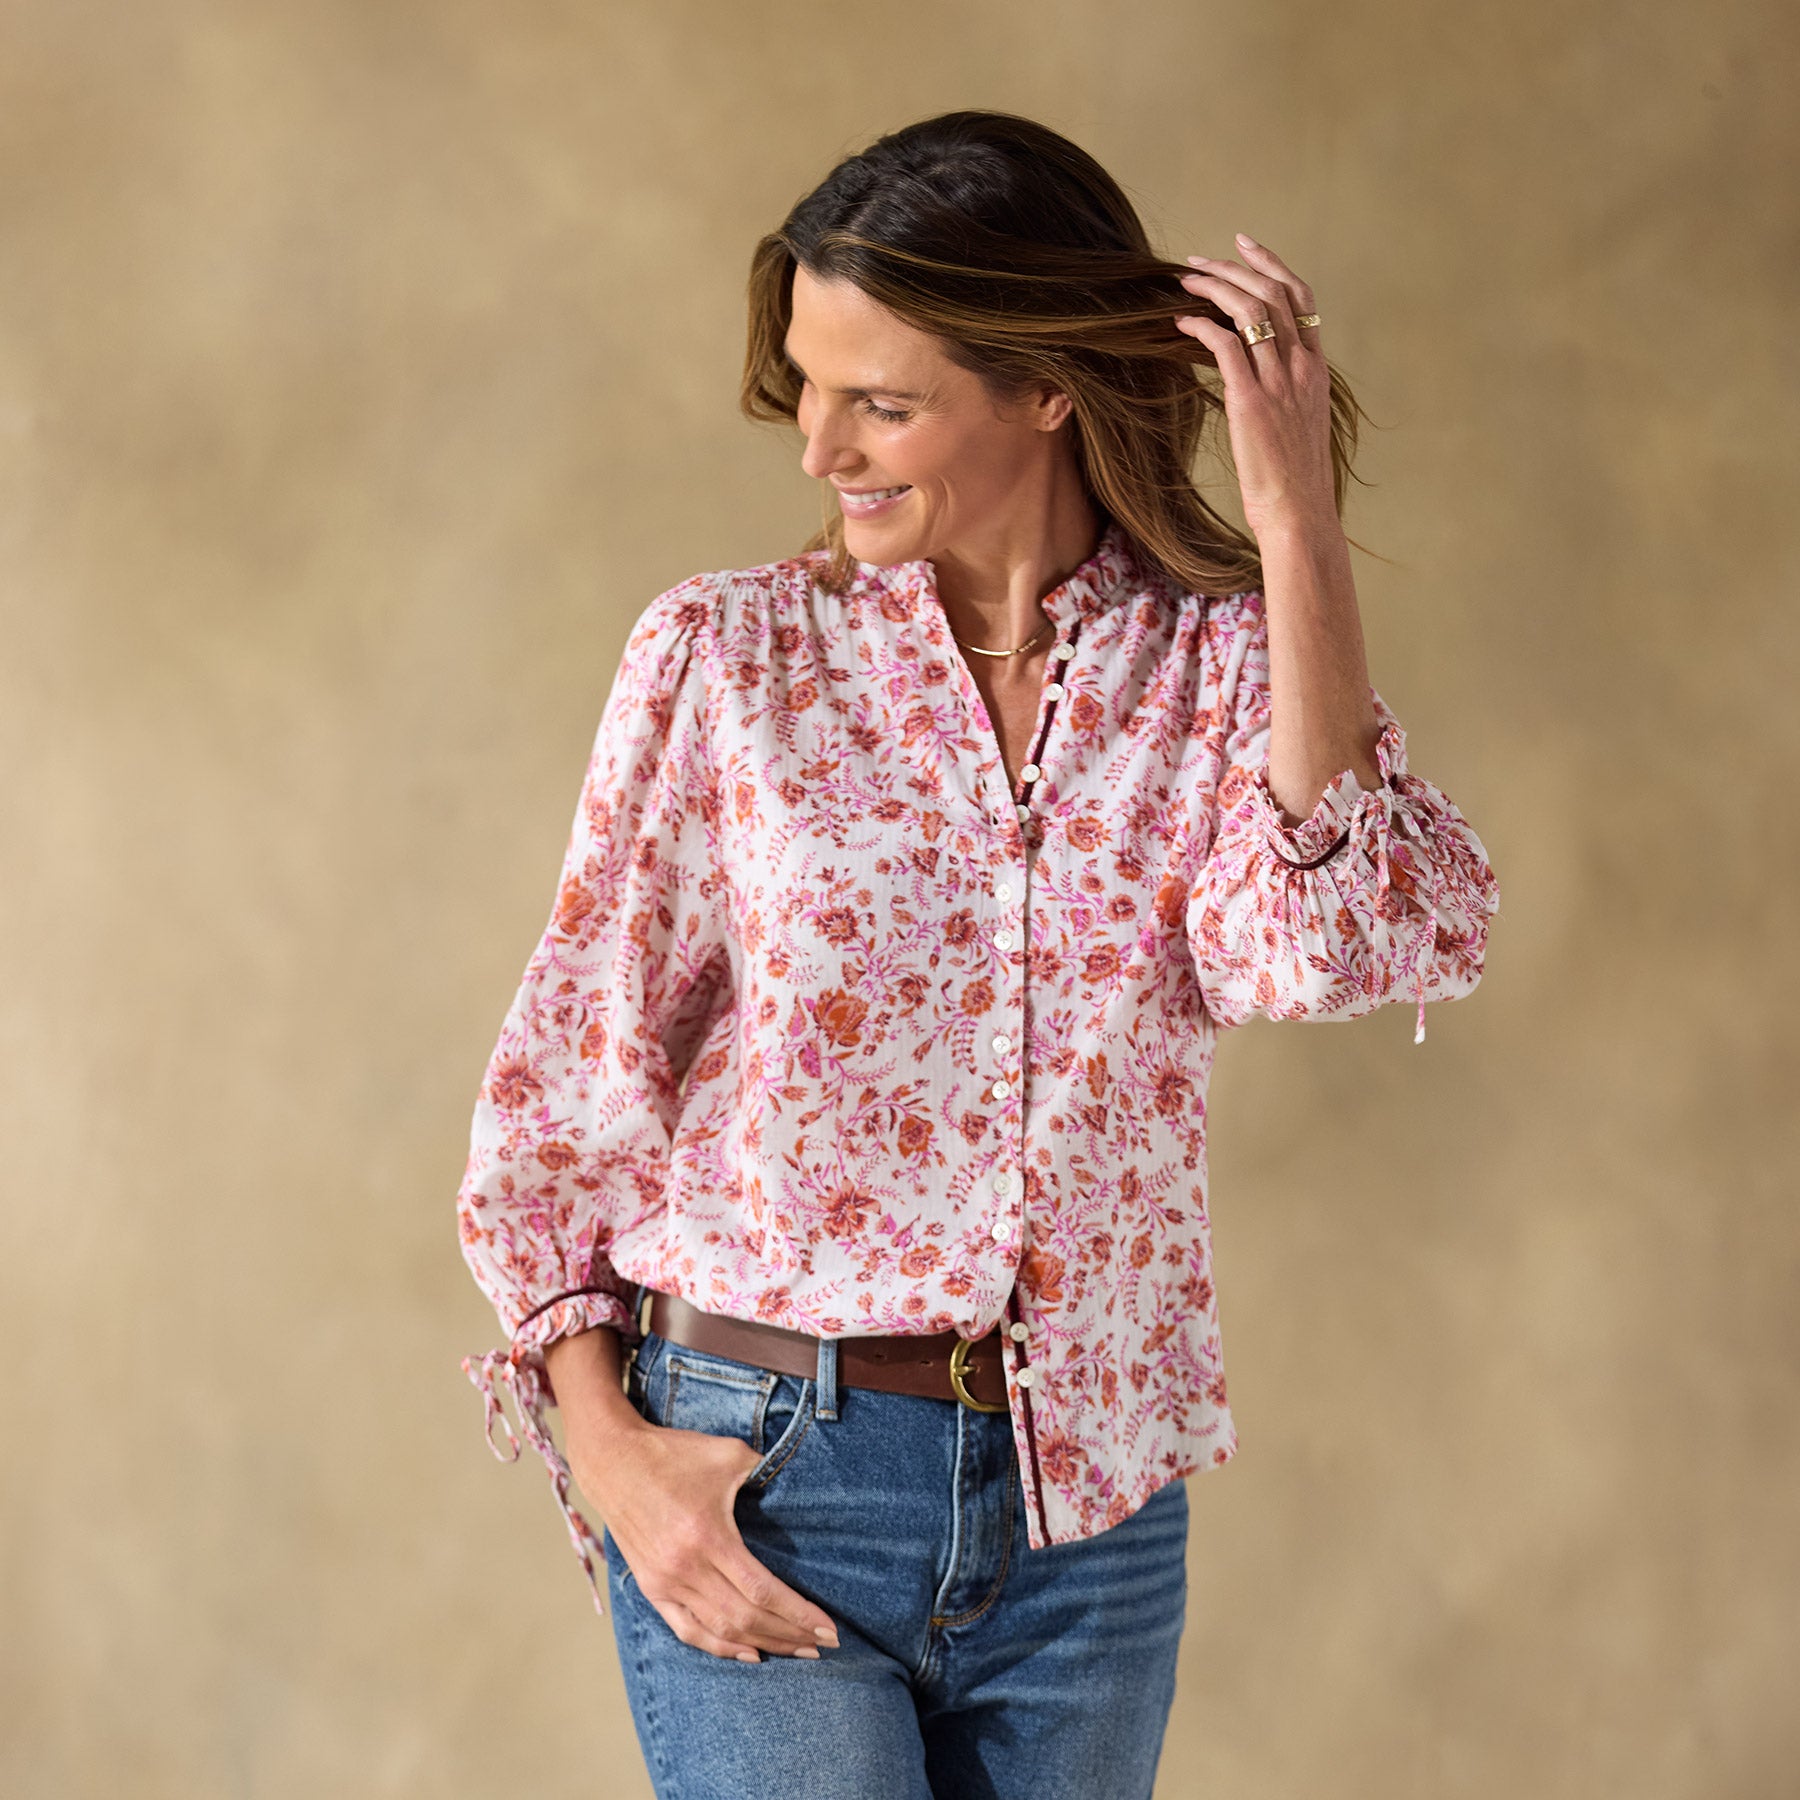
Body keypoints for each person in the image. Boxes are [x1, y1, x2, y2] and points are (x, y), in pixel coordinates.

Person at [455, 109, 1499, 1800]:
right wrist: (618, 1464)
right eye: (809, 388)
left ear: (1048, 389)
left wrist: (1297, 529)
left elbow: (1329, 946)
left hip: (1088, 1517)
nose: (820, 448)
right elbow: (562, 1101)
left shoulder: (1217, 668)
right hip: (767, 1472)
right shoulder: (730, 658)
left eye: (880, 403)